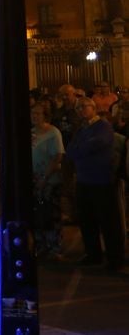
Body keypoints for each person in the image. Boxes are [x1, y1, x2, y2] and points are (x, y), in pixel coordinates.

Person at [66, 96, 124, 271]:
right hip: (84, 180)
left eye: (84, 107)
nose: (81, 110)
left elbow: (97, 144)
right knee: (87, 220)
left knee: (108, 221)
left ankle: (115, 258)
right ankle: (93, 254)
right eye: (78, 108)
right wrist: (82, 148)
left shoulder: (103, 126)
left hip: (102, 180)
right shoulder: (81, 130)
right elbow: (70, 150)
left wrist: (81, 149)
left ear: (93, 108)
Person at [31, 101, 64, 258]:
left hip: (49, 179)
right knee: (37, 213)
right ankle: (40, 244)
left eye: (38, 113)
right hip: (34, 177)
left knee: (51, 213)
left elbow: (57, 156)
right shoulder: (31, 133)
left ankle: (54, 246)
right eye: (33, 113)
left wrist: (45, 177)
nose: (34, 116)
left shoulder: (53, 133)